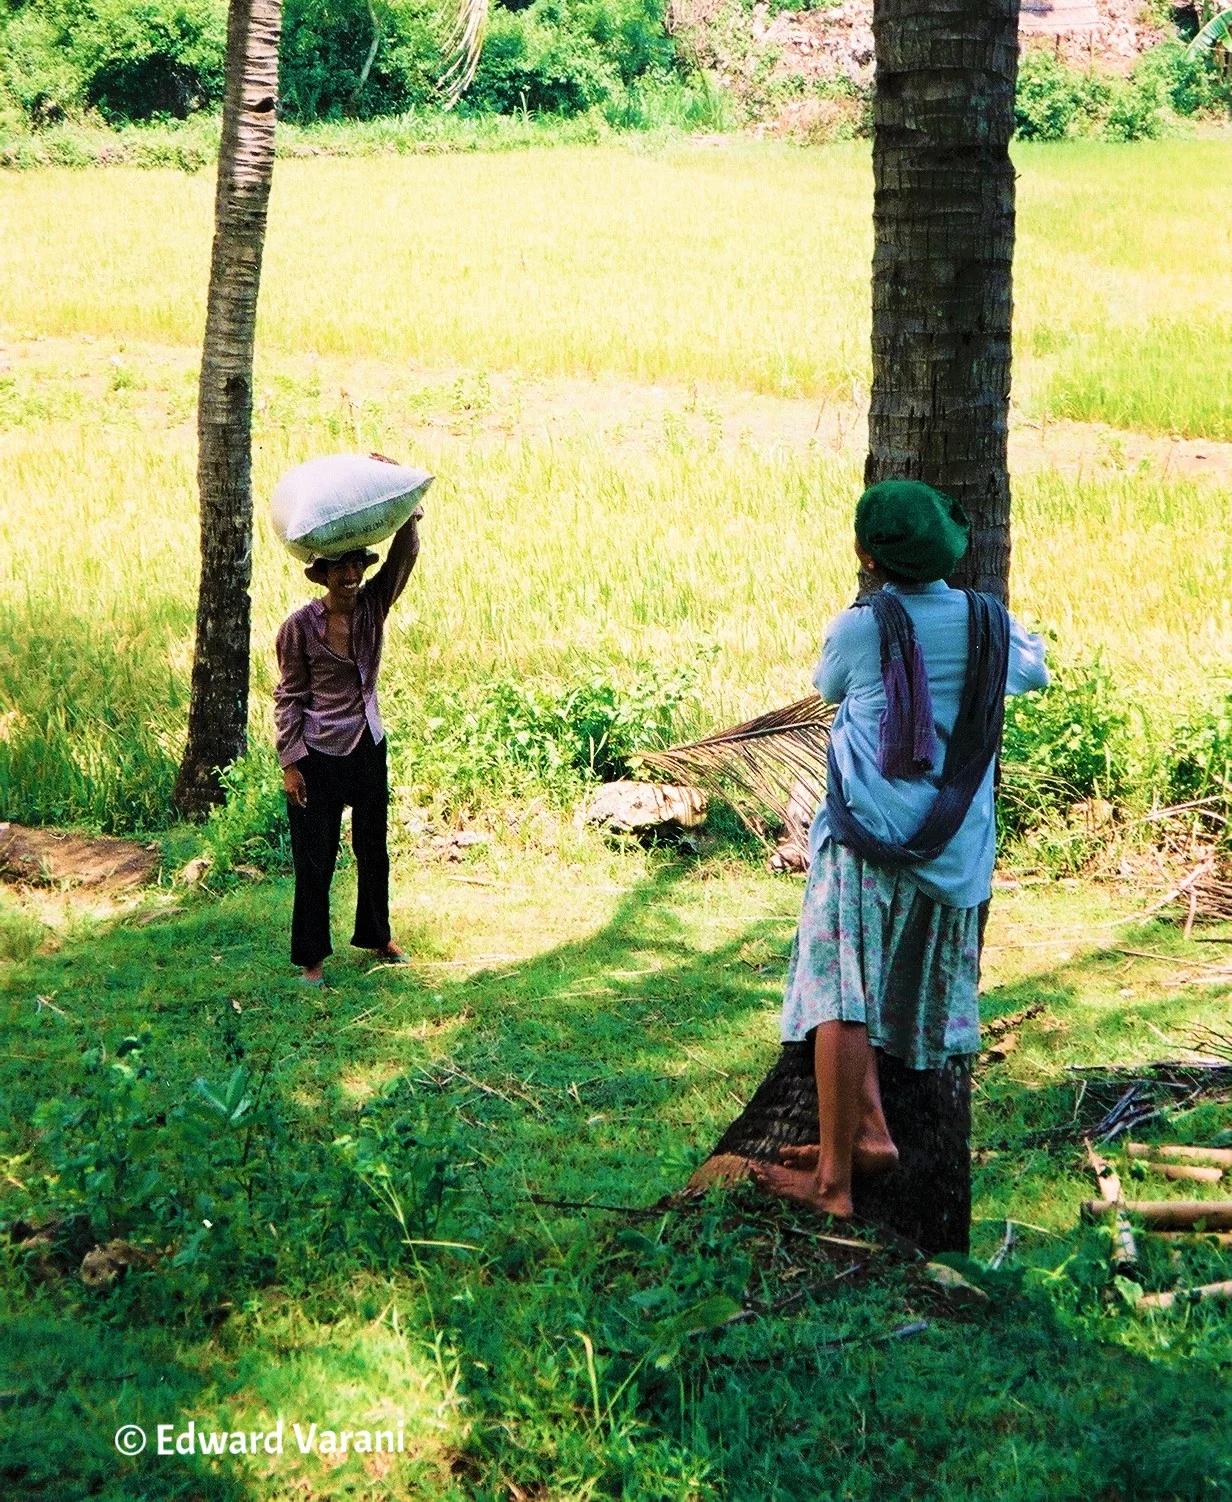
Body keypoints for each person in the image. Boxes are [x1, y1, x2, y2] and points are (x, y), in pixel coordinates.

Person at [751, 479, 1049, 1217]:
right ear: (952, 550)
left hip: (865, 841)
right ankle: (873, 1137)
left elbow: (829, 687)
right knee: (882, 995)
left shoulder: (863, 628)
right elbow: (1034, 672)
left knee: (840, 996)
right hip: (953, 854)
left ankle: (834, 1183)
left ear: (866, 554)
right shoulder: (990, 624)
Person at [274, 495, 424, 986]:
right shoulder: (298, 628)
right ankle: (312, 961)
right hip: (319, 754)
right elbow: (289, 697)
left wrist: (410, 510)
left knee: (373, 847)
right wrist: (291, 762)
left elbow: (404, 559)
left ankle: (378, 936)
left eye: (357, 565)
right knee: (316, 857)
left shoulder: (372, 607)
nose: (351, 575)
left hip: (367, 745)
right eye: (340, 567)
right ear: (321, 576)